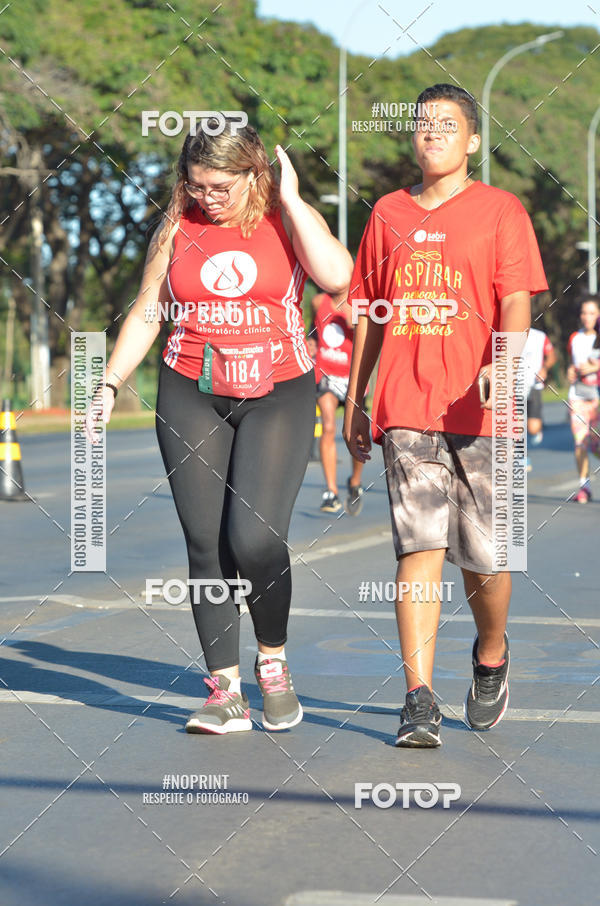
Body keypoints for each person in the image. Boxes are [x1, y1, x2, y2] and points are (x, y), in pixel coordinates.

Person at [87, 120, 353, 734]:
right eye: (195, 184)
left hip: (277, 390)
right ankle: (223, 692)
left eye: (219, 186)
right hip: (189, 390)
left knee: (254, 540)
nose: (205, 197)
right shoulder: (177, 225)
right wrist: (106, 384)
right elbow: (149, 309)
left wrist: (290, 197)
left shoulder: (285, 218)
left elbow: (337, 277)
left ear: (255, 172)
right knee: (205, 544)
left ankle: (274, 662)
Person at [343, 83, 548, 748]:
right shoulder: (387, 214)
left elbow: (516, 300)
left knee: (485, 564)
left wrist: (504, 360)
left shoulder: (500, 210)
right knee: (420, 548)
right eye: (423, 123)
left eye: (447, 124)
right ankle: (419, 698)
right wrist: (356, 398)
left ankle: (492, 654)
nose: (432, 133)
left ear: (474, 141)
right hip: (407, 404)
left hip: (484, 410)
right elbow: (371, 314)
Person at [311, 290, 365, 514]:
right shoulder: (318, 302)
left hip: (352, 375)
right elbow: (313, 331)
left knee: (357, 434)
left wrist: (356, 323)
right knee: (329, 426)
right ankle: (331, 491)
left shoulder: (359, 305)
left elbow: (370, 337)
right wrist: (310, 341)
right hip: (326, 373)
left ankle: (355, 481)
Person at [566, 296, 600, 503]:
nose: (587, 317)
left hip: (597, 398)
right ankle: (584, 486)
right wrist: (571, 372)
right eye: (584, 313)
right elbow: (572, 364)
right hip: (577, 396)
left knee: (595, 445)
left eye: (592, 313)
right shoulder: (574, 338)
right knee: (580, 442)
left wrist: (597, 367)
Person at [522, 326, 556, 470]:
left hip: (533, 386)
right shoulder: (507, 333)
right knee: (516, 426)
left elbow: (552, 356)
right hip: (513, 386)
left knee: (533, 428)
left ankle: (537, 430)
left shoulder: (540, 336)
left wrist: (545, 369)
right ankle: (522, 457)